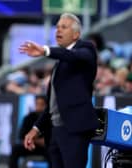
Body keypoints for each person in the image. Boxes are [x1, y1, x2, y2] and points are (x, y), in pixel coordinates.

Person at [19, 13, 99, 168]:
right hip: (55, 131)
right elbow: (52, 104)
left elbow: (73, 56)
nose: (58, 31)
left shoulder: (86, 49)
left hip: (74, 129)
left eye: (64, 27)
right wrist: (36, 129)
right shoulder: (60, 62)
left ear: (76, 34)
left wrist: (45, 51)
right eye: (57, 27)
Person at [9, 95, 48, 168]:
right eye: (37, 104)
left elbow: (51, 138)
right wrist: (35, 140)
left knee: (53, 150)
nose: (39, 107)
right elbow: (22, 136)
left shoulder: (49, 119)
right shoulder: (29, 117)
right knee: (15, 148)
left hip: (45, 148)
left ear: (46, 106)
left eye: (41, 104)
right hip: (30, 145)